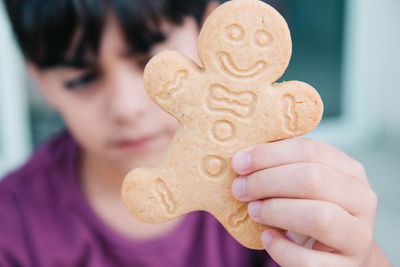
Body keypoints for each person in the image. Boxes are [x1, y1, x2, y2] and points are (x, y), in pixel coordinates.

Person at [0, 0, 392, 266]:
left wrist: (361, 255)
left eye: (148, 60)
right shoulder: (12, 228)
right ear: (39, 81)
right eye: (82, 78)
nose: (127, 107)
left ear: (211, 26)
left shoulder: (277, 201)